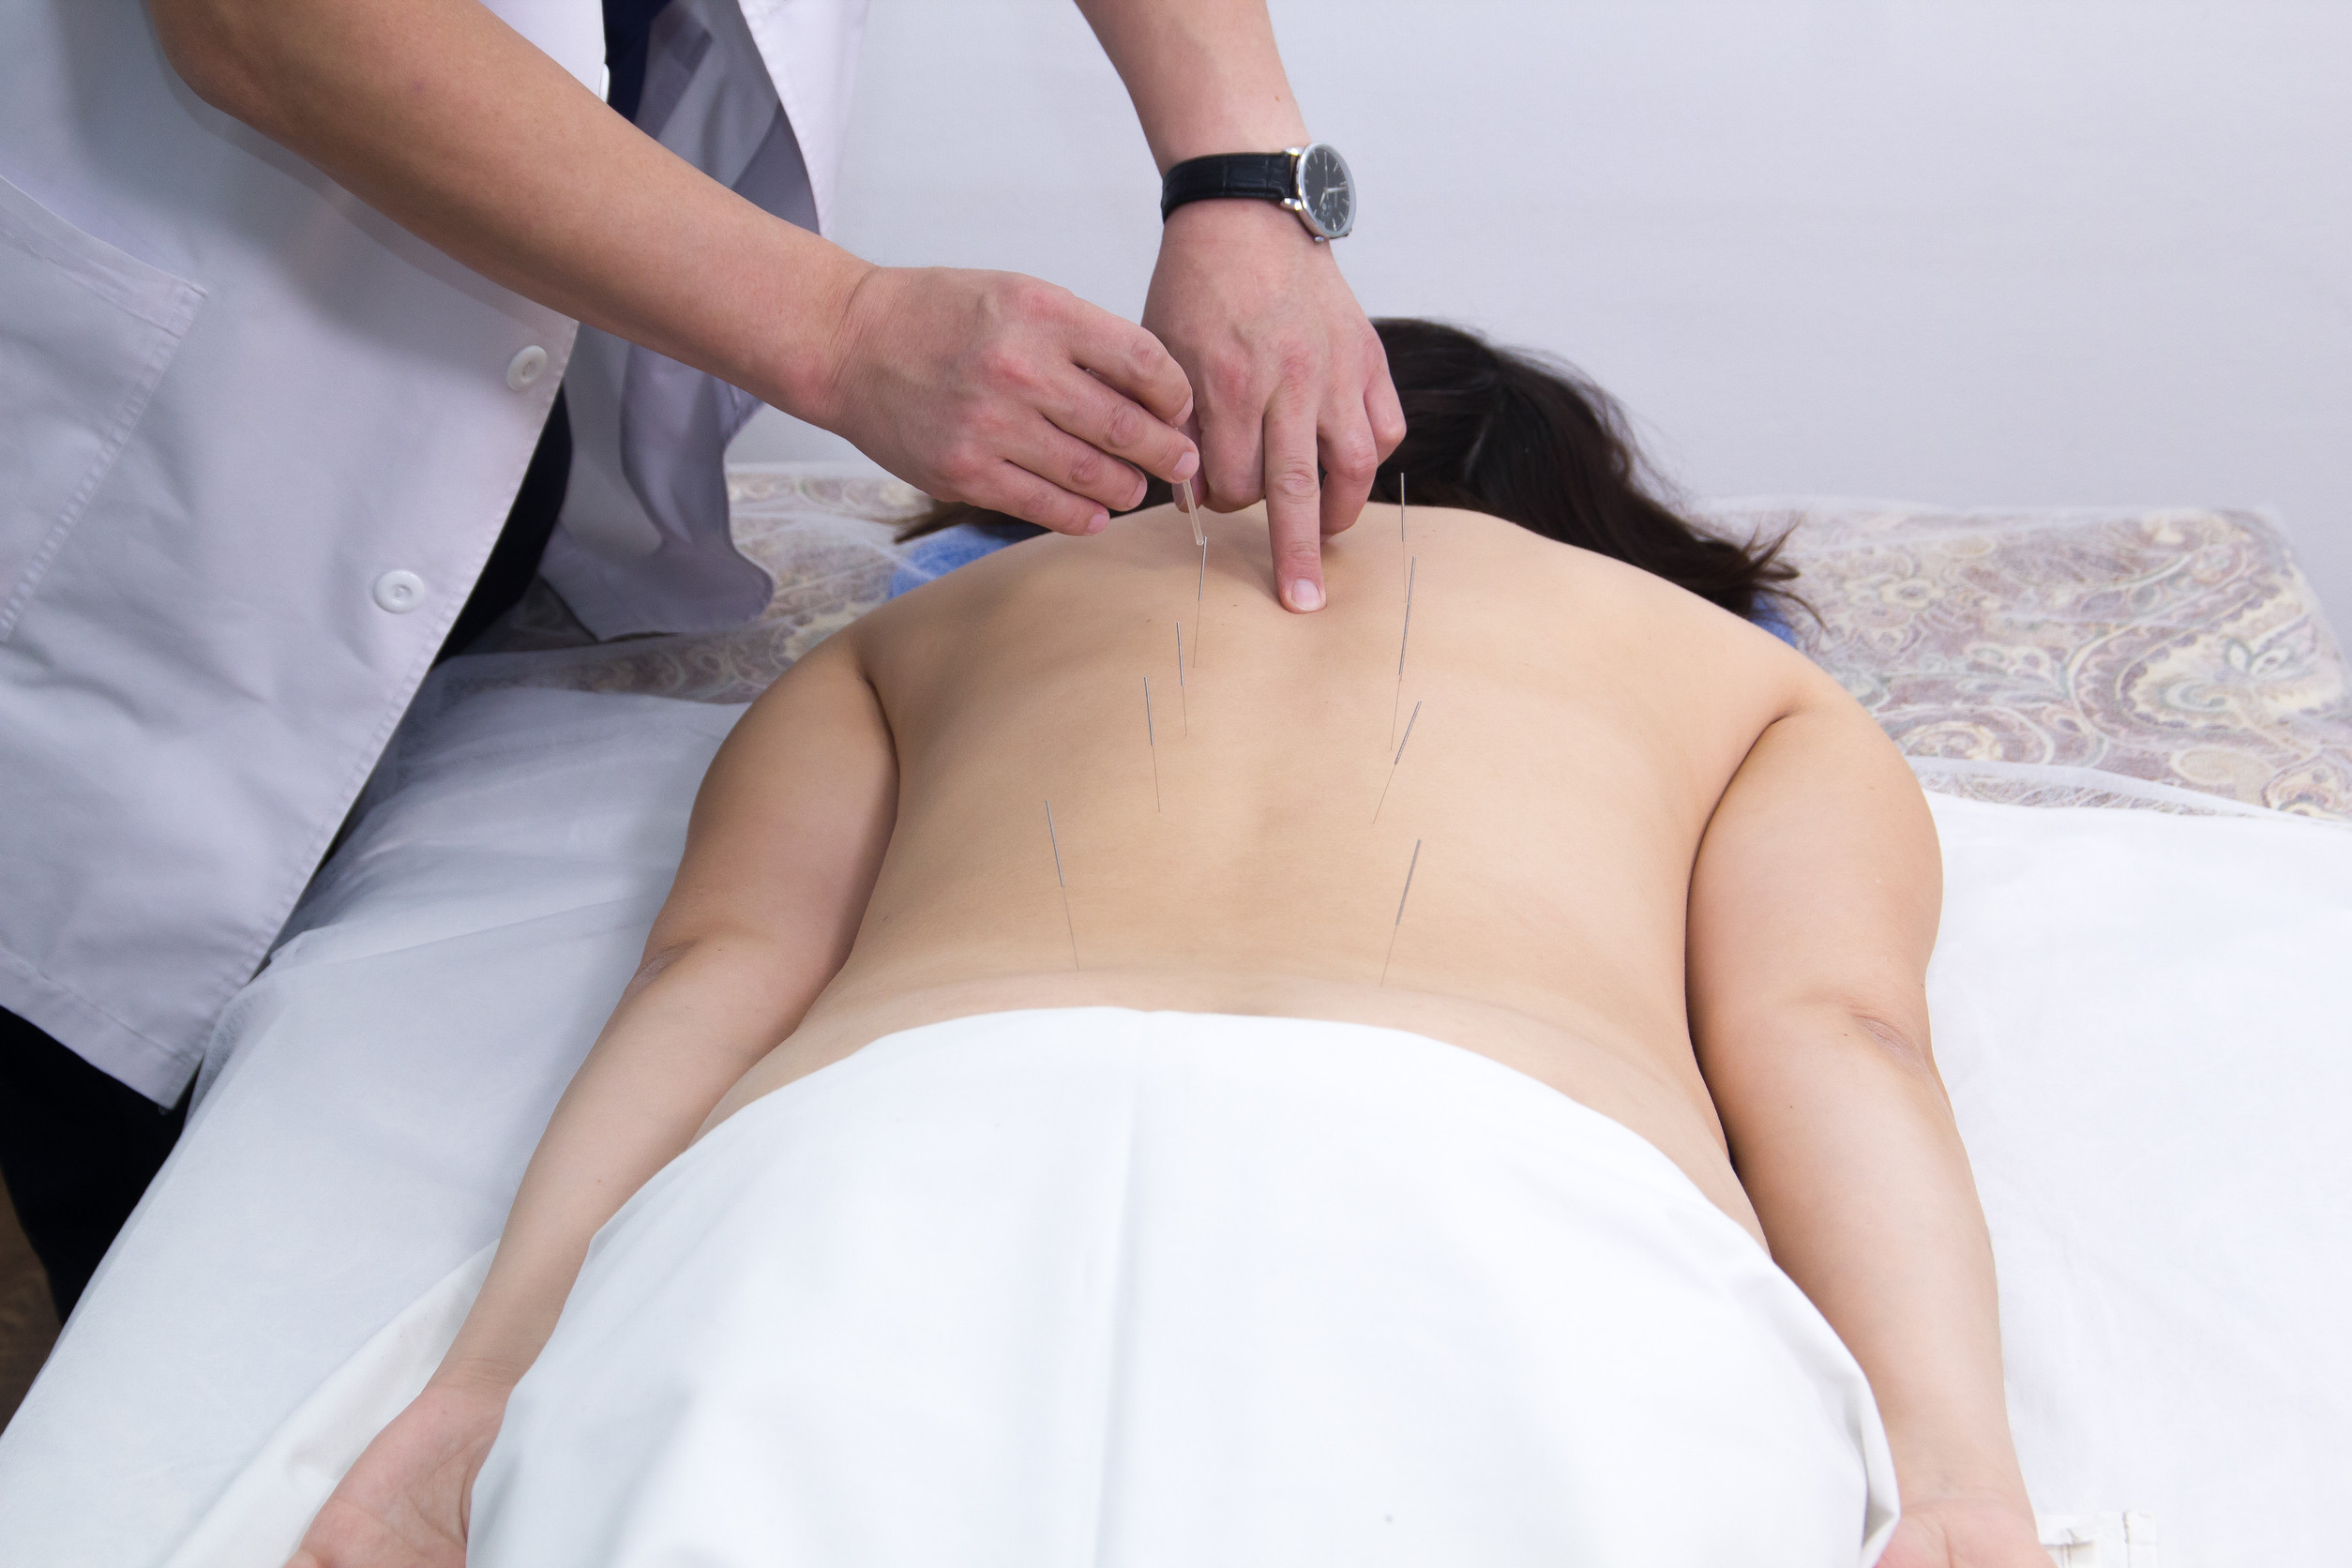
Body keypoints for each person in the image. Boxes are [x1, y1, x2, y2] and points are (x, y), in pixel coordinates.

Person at [287, 323, 2048, 1568]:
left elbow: (714, 977)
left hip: (879, 1167)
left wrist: (477, 1399)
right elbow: (1838, 1039)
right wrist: (1961, 1485)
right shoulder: (1744, 684)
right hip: (1505, 1189)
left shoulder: (937, 629)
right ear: (1596, 525)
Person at [0, 0, 1400, 1319]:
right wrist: (837, 330)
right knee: (146, 1175)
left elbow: (725, 959)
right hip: (171, 459)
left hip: (484, 468)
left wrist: (1240, 174)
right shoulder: (923, 654)